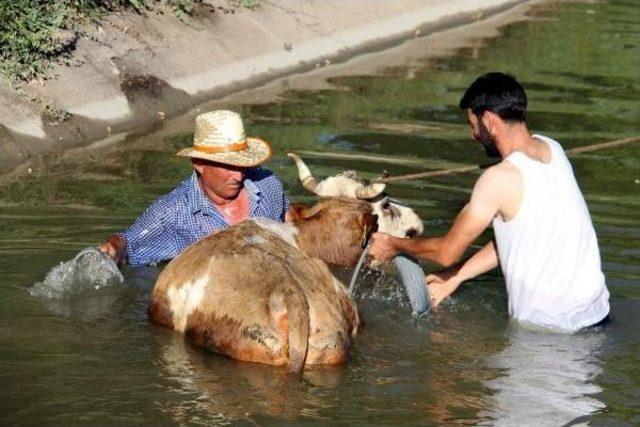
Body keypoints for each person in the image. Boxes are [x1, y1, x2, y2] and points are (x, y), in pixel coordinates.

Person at [369, 72, 610, 331]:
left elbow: (446, 252)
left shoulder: (498, 179)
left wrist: (393, 244)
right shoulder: (552, 149)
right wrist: (455, 278)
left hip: (548, 332)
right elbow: (515, 238)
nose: (473, 134)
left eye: (473, 124)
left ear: (488, 120)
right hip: (597, 315)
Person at [100, 110, 288, 266]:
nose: (238, 176)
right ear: (199, 163)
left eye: (241, 166)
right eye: (228, 166)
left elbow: (292, 222)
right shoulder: (174, 210)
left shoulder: (267, 184)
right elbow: (128, 240)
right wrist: (114, 246)